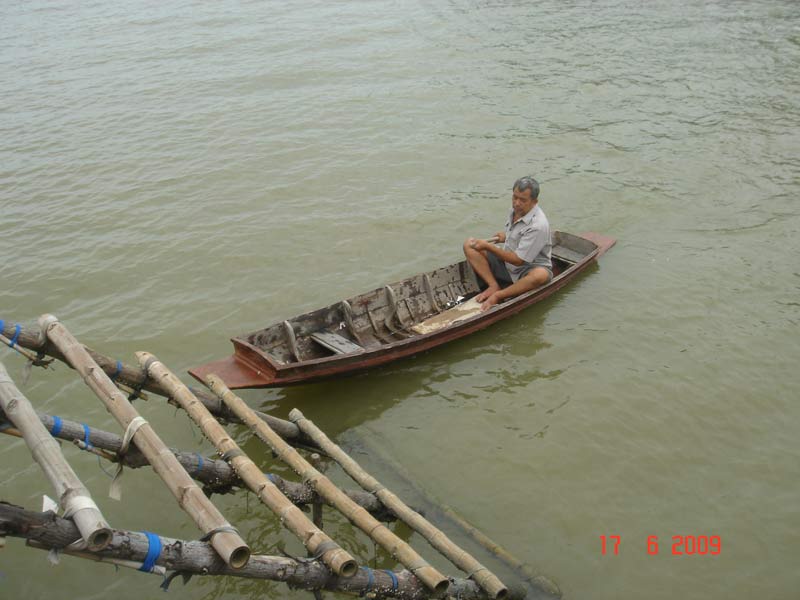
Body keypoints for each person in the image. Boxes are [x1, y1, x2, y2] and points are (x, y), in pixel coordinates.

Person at [463, 176, 552, 311]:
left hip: (525, 270)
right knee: (469, 245)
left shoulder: (538, 225)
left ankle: (499, 295)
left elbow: (518, 260)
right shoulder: (516, 210)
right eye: (514, 197)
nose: (516, 203)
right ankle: (493, 285)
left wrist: (488, 246)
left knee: (541, 275)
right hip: (507, 265)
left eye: (522, 200)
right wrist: (506, 236)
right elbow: (518, 235)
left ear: (534, 202)